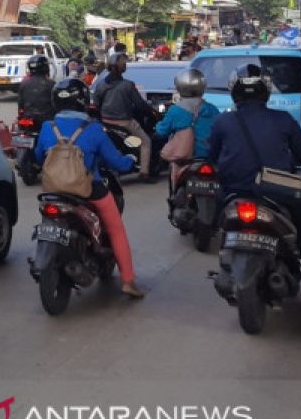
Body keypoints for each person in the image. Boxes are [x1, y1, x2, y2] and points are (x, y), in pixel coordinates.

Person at [207, 65, 301, 306]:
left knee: (219, 221)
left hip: (233, 193)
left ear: (235, 92)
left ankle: (225, 260)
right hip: (279, 192)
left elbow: (212, 157)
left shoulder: (223, 122)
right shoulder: (283, 120)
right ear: (266, 91)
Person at [35, 79, 145, 298]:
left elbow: (38, 156)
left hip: (53, 191)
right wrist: (131, 161)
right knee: (115, 229)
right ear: (83, 101)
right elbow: (115, 161)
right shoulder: (93, 129)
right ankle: (128, 281)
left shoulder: (48, 127)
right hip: (88, 190)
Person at [156, 68, 221, 198]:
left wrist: (157, 124)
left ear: (180, 88)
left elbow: (161, 131)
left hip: (185, 159)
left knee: (173, 170)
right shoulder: (212, 109)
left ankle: (174, 197)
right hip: (209, 156)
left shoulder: (175, 110)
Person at [93, 51, 156, 180]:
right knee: (145, 142)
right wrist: (152, 111)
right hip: (124, 122)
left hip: (105, 122)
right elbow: (139, 104)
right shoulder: (127, 85)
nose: (125, 65)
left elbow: (96, 103)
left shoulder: (101, 85)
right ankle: (144, 172)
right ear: (118, 67)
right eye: (123, 63)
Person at [17, 54, 56, 125]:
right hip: (47, 121)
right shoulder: (51, 84)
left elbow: (20, 105)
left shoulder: (24, 83)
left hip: (28, 121)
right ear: (45, 67)